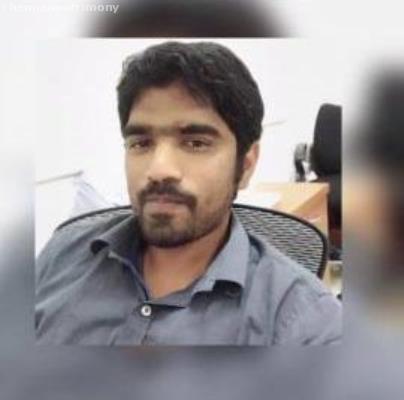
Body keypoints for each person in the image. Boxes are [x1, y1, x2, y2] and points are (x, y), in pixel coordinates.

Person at [35, 41, 341, 345]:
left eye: (195, 143)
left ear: (246, 165)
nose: (159, 170)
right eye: (141, 143)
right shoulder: (62, 255)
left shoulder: (305, 323)